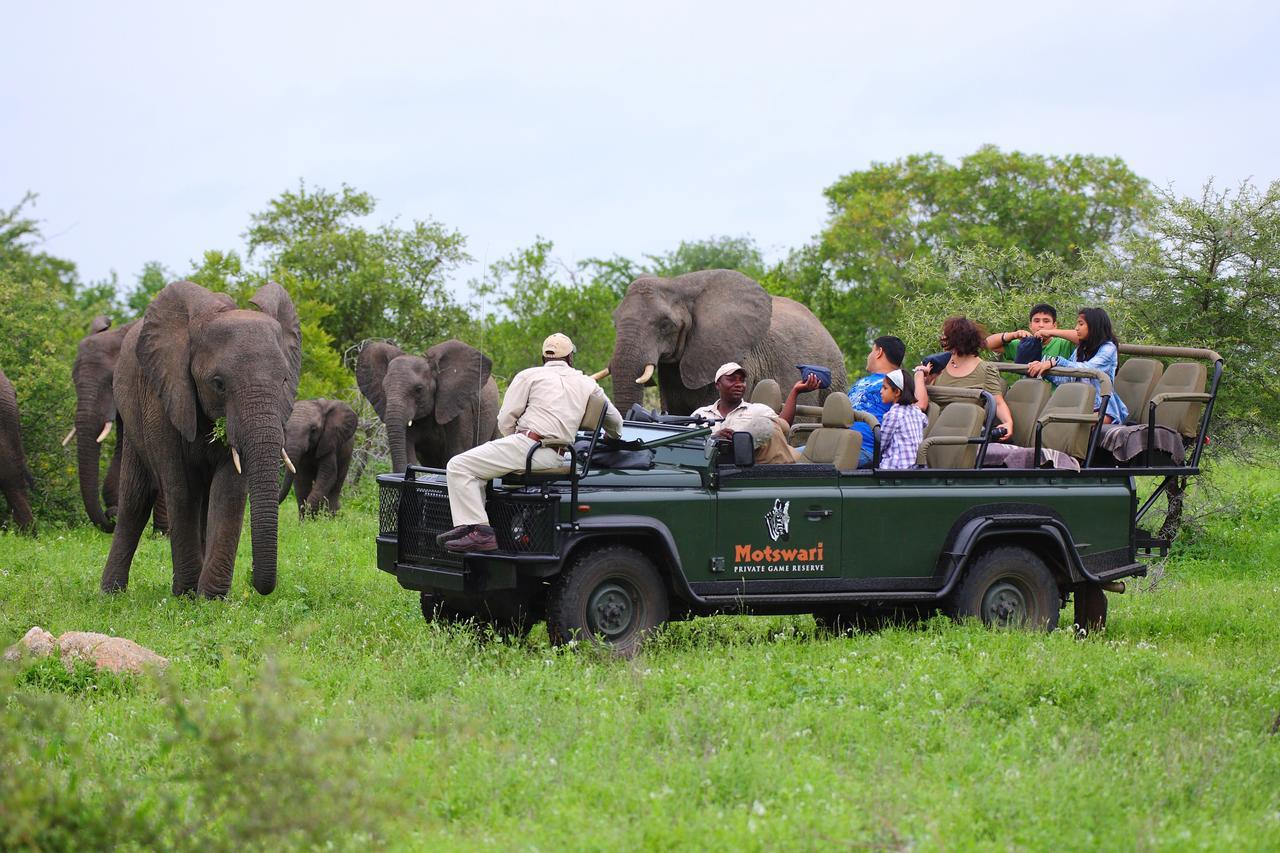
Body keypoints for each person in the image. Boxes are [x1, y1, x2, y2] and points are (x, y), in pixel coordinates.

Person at [440, 333, 623, 553]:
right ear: (570, 358)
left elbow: (505, 418)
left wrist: (514, 439)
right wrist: (610, 437)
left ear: (543, 357)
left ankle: (481, 533)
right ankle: (470, 527)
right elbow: (616, 422)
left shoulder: (529, 375)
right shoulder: (587, 383)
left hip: (528, 447)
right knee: (477, 469)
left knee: (459, 465)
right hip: (559, 455)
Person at [689, 363, 816, 463]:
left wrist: (795, 392)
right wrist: (713, 438)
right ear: (718, 385)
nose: (739, 384)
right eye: (732, 379)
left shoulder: (757, 410)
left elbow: (783, 426)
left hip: (743, 470)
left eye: (742, 380)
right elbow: (684, 444)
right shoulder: (701, 414)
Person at [1027, 307, 1128, 424]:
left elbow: (1088, 369)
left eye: (1081, 324)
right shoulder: (1082, 348)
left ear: (1093, 326)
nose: (1076, 328)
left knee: (1068, 426)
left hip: (1102, 410)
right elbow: (1067, 378)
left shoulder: (1108, 348)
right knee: (1044, 422)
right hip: (1078, 404)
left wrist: (1056, 361)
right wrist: (1043, 369)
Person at [921, 316, 1013, 441]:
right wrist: (923, 379)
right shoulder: (939, 364)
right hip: (932, 427)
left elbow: (998, 402)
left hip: (964, 430)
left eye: (946, 335)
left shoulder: (986, 369)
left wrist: (1008, 423)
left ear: (958, 340)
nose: (943, 339)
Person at [845, 336, 929, 467]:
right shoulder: (861, 382)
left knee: (813, 468)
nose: (869, 356)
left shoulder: (895, 386)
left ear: (879, 352)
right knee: (803, 457)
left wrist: (919, 375)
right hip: (839, 442)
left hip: (865, 449)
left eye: (871, 351)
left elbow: (919, 405)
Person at [983, 303, 1076, 367]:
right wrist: (1013, 335)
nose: (1041, 325)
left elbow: (1083, 338)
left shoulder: (1064, 344)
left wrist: (1051, 332)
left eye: (1046, 321)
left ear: (1054, 325)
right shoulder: (1023, 344)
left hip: (1055, 395)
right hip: (1027, 393)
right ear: (1030, 326)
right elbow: (987, 344)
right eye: (1036, 321)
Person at [877, 369, 928, 470]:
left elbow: (881, 444)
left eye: (885, 388)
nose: (881, 391)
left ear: (896, 392)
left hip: (895, 468)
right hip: (915, 467)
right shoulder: (917, 412)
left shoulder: (892, 415)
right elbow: (925, 421)